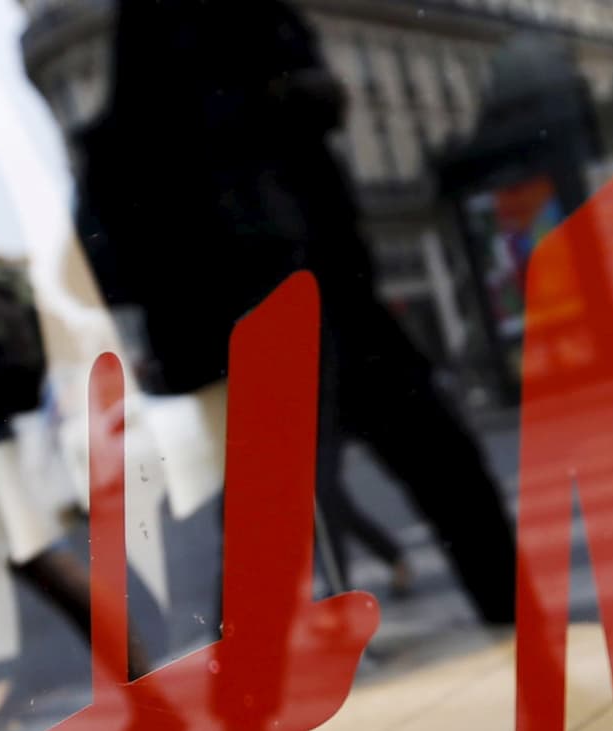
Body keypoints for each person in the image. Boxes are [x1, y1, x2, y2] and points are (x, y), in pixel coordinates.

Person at [76, 0, 515, 624]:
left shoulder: (158, 32)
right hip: (282, 279)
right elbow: (214, 134)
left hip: (298, 280)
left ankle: (533, 647)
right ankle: (247, 697)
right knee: (418, 472)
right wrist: (298, 94)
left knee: (413, 472)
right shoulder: (189, 25)